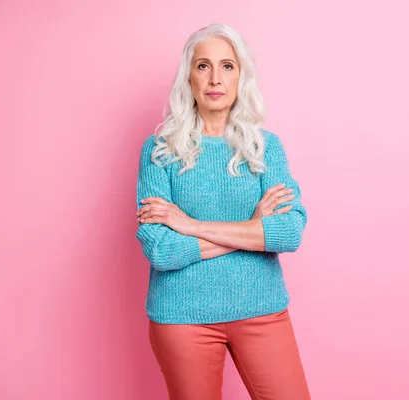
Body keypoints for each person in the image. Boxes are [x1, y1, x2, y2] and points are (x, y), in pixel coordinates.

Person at [135, 22, 311, 400]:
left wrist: (189, 225)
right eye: (203, 66)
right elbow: (162, 250)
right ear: (189, 77)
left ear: (240, 76)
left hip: (262, 308)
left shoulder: (266, 148)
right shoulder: (159, 151)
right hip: (182, 317)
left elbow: (288, 233)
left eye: (227, 66)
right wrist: (252, 229)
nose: (215, 77)